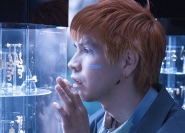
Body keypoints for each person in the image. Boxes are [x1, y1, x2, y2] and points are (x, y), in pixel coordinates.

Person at [53, 0, 185, 133]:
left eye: (87, 50)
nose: (72, 63)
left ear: (128, 62)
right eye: (77, 49)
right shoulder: (95, 123)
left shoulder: (176, 128)